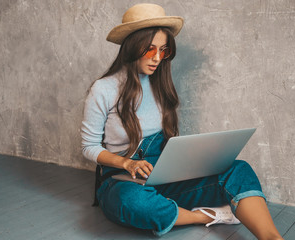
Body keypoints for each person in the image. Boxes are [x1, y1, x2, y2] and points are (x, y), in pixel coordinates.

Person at [81, 3, 283, 239]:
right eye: (150, 50)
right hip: (123, 181)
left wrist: (195, 158)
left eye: (163, 50)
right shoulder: (103, 89)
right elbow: (88, 147)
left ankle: (272, 237)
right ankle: (208, 216)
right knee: (131, 202)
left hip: (165, 178)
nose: (157, 58)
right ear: (132, 46)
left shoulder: (160, 84)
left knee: (237, 169)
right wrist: (128, 164)